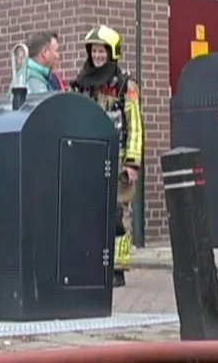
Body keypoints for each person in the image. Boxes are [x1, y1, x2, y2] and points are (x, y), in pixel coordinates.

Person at [74, 25, 144, 287]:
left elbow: (134, 125)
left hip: (118, 160)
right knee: (91, 213)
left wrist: (132, 162)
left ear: (112, 52)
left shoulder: (126, 85)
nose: (97, 55)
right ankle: (94, 261)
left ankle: (117, 268)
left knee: (116, 214)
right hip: (89, 159)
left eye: (102, 50)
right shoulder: (82, 82)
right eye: (94, 50)